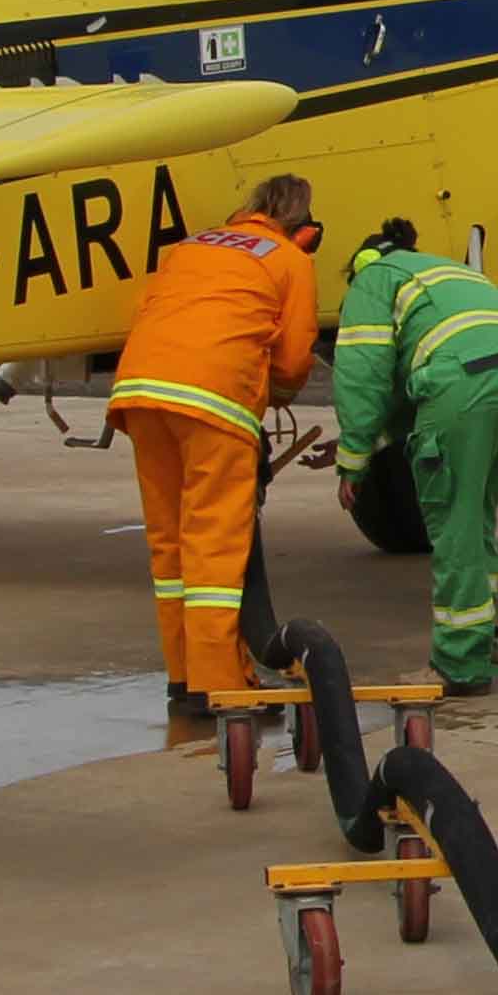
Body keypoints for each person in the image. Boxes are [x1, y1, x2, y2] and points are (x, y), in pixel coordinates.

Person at [107, 172, 326, 701]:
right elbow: (295, 359)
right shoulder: (289, 260)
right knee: (214, 549)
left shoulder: (191, 246)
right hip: (213, 400)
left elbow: (150, 310)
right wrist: (270, 389)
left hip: (140, 392)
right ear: (304, 229)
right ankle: (219, 690)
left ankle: (183, 679)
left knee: (169, 544)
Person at [327, 218, 498, 695]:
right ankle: (480, 636)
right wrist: (365, 446)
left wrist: (352, 462)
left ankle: (458, 665)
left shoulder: (372, 280)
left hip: (471, 379)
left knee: (452, 519)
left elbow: (363, 378)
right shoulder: (441, 273)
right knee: (474, 515)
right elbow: (408, 393)